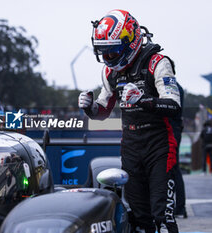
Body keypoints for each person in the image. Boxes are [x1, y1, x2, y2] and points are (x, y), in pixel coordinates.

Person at [78, 9, 180, 232]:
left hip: (159, 145)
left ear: (130, 41)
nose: (108, 58)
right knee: (138, 216)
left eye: (113, 52)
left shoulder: (157, 62)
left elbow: (174, 106)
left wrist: (143, 100)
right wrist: (89, 107)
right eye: (104, 53)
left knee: (162, 217)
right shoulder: (109, 73)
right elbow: (103, 111)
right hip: (131, 145)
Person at [170, 83, 187, 218]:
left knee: (173, 168)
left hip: (171, 129)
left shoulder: (171, 86)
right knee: (174, 169)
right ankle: (180, 207)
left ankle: (180, 208)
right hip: (175, 128)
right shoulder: (178, 87)